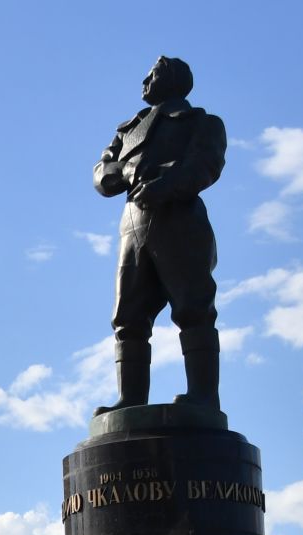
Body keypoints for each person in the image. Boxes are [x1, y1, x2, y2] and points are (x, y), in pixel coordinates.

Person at [93, 55, 227, 413]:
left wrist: (164, 184)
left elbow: (205, 166)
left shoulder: (202, 122)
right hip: (133, 225)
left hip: (178, 219)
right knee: (127, 317)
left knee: (194, 307)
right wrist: (124, 173)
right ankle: (130, 400)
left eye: (151, 74)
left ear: (171, 79)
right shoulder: (127, 129)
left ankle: (203, 397)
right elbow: (102, 169)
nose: (144, 80)